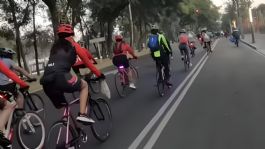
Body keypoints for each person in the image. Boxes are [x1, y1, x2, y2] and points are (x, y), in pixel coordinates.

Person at [40, 24, 105, 124]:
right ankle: (82, 114)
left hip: (46, 81)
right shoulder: (73, 45)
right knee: (84, 86)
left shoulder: (54, 48)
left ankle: (66, 124)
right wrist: (99, 74)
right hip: (61, 78)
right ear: (70, 35)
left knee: (64, 105)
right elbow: (87, 62)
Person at [0, 58, 30, 148]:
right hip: (7, 87)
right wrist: (23, 84)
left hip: (2, 90)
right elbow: (9, 73)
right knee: (9, 105)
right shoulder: (6, 61)